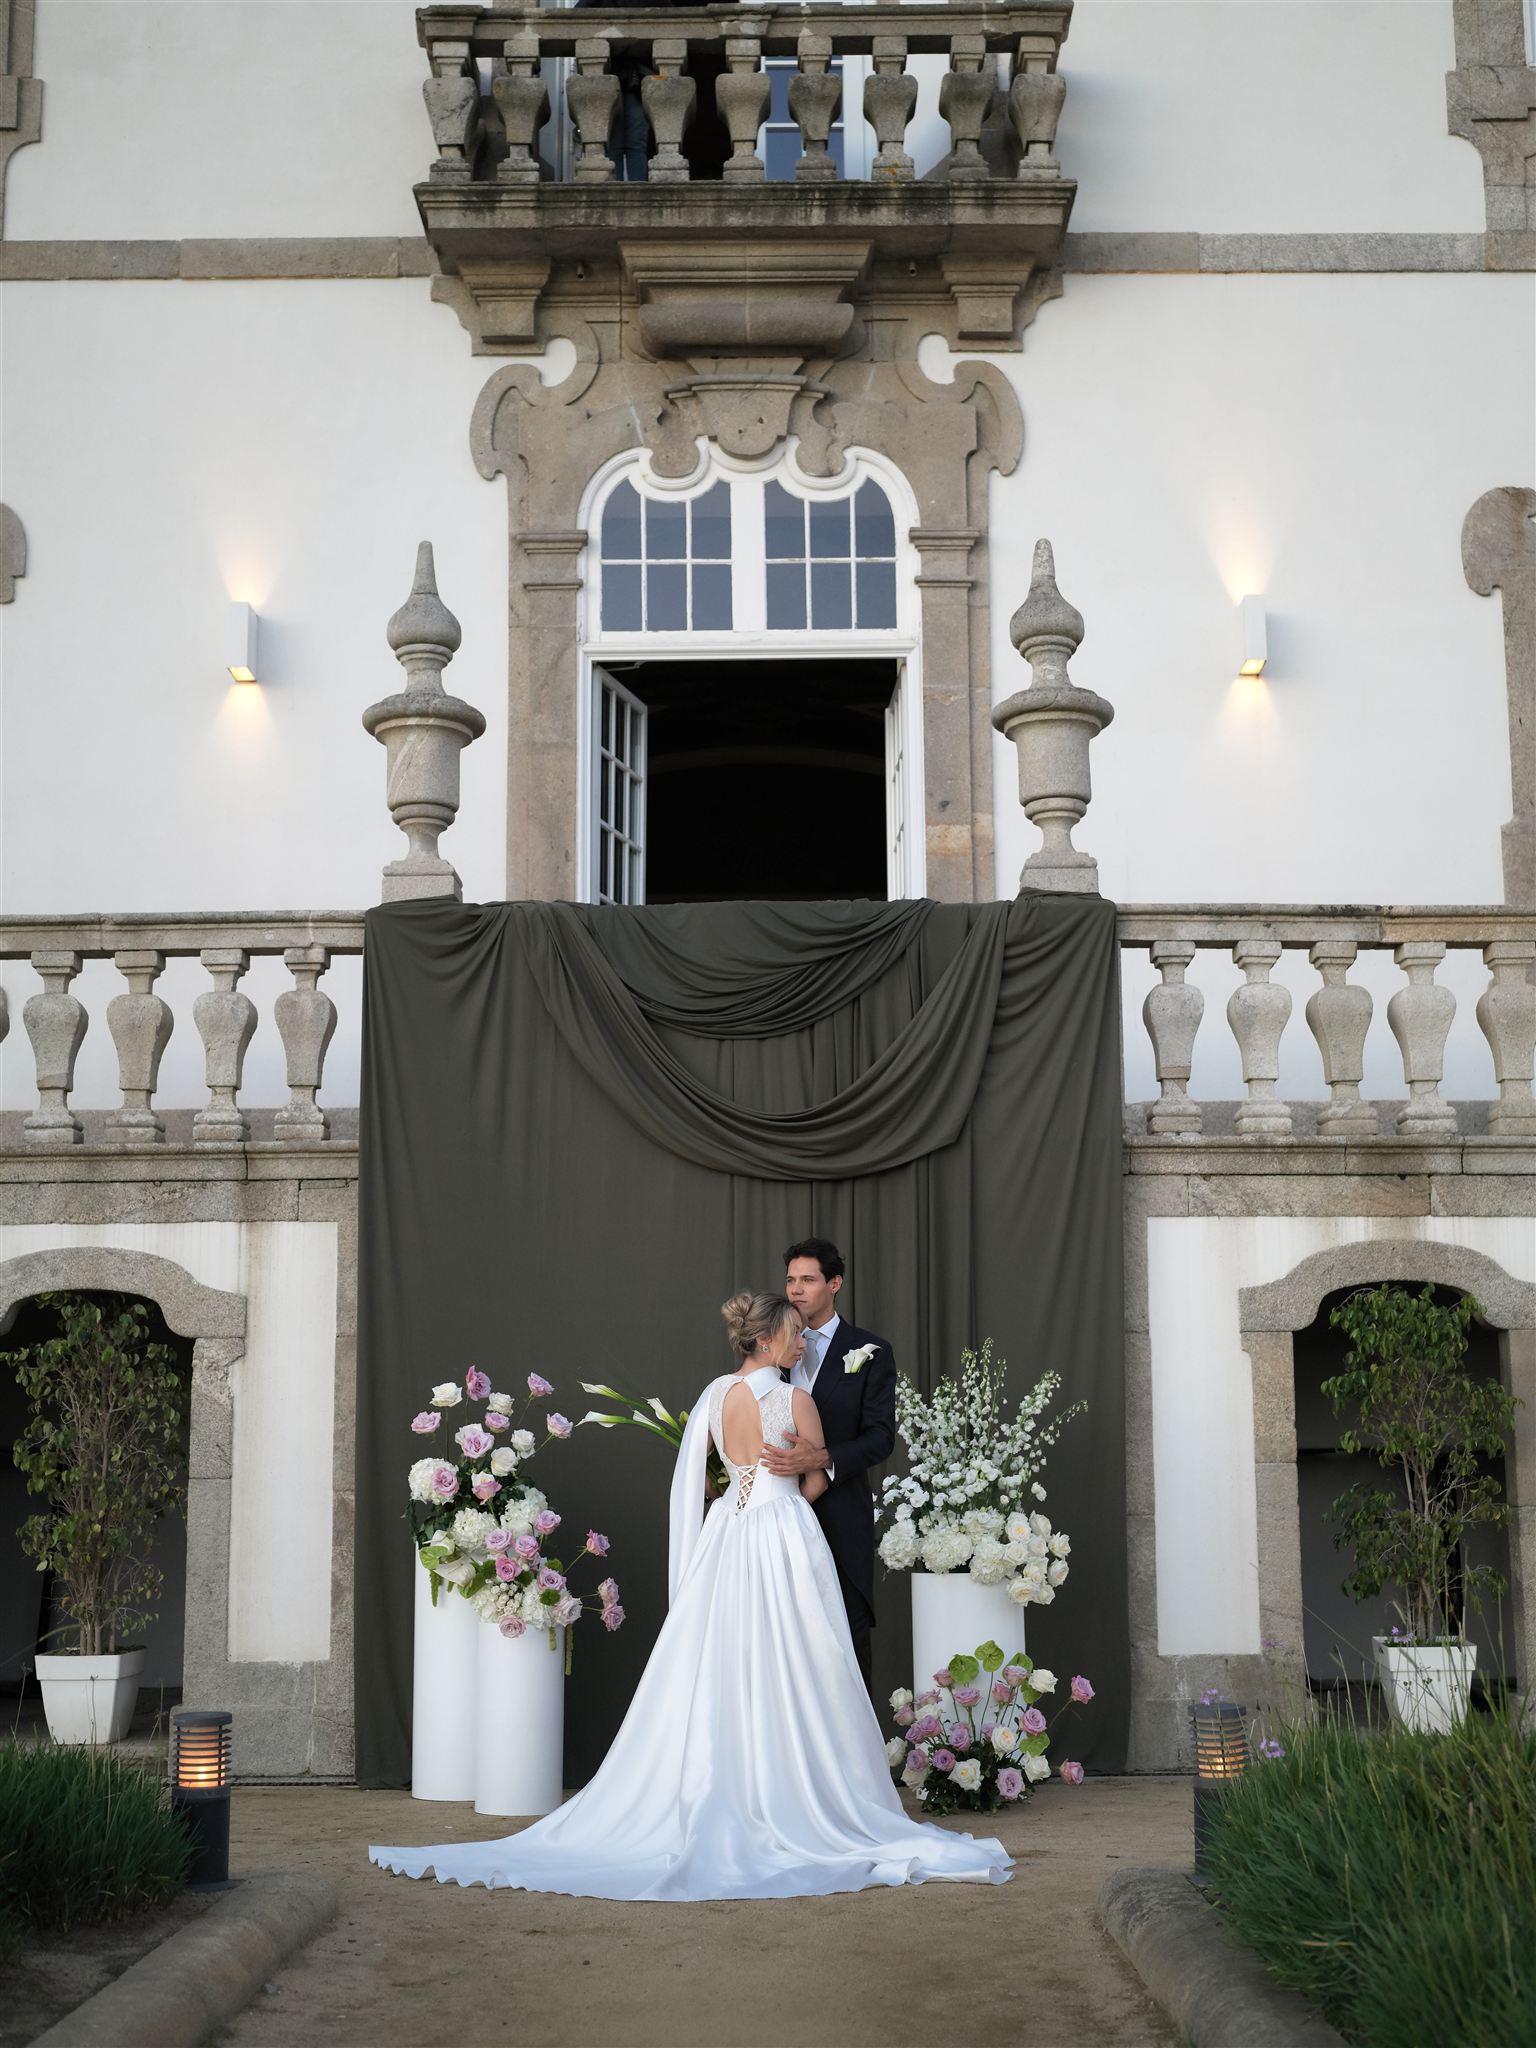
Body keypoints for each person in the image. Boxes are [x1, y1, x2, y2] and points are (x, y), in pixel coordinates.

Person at [369, 1291, 1010, 1901]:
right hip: (784, 1536)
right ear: (764, 1339)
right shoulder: (795, 1401)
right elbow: (815, 1480)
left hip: (727, 1536)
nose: (798, 1343)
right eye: (790, 1334)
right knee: (802, 1658)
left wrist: (744, 1495)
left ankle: (726, 1778)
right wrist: (786, 1501)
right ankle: (796, 1787)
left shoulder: (715, 1395)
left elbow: (705, 1484)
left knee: (724, 1658)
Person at [763, 1237, 895, 1700]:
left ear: (834, 1284)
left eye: (808, 1280)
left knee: (847, 1639)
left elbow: (881, 1438)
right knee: (781, 1638)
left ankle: (856, 1767)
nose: (796, 1290)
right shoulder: (768, 1350)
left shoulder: (871, 1351)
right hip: (775, 1520)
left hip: (841, 1520)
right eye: (790, 1280)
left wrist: (823, 1458)